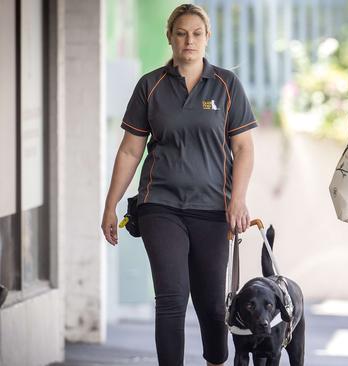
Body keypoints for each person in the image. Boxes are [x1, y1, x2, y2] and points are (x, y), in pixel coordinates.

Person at [101, 4, 257, 366]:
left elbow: (244, 148)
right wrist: (111, 204)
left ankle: (216, 360)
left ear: (207, 38)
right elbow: (129, 151)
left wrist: (238, 200)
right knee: (171, 298)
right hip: (160, 204)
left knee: (211, 304)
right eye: (182, 33)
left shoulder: (225, 85)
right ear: (170, 37)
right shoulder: (150, 85)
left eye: (197, 34)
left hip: (213, 207)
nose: (189, 40)